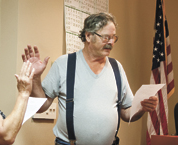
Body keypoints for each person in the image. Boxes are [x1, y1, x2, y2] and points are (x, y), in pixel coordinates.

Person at [22, 13, 158, 145]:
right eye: (106, 37)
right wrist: (35, 79)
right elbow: (41, 108)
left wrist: (141, 108)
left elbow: (126, 114)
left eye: (113, 37)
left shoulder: (117, 68)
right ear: (88, 36)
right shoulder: (64, 64)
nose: (111, 42)